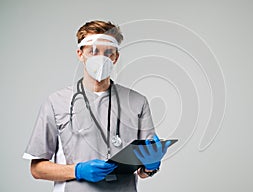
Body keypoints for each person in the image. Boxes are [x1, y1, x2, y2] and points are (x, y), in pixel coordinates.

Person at [23, 20, 171, 192]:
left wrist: (150, 166)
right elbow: (37, 169)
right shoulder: (56, 102)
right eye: (93, 51)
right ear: (80, 54)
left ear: (116, 57)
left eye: (108, 52)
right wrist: (77, 170)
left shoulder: (137, 102)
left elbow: (142, 172)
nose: (101, 58)